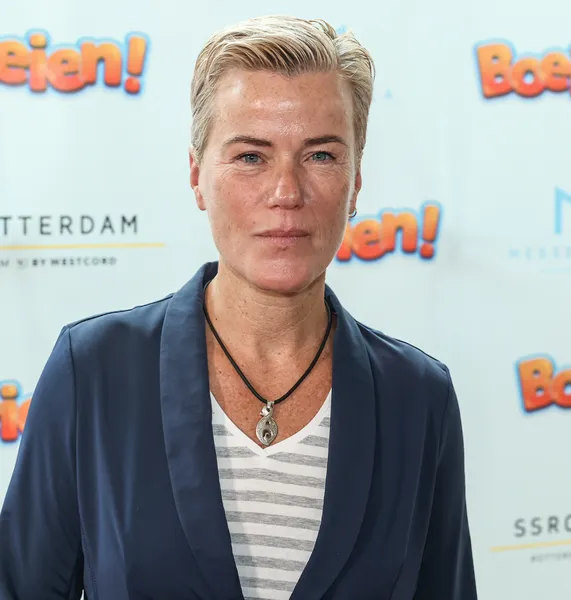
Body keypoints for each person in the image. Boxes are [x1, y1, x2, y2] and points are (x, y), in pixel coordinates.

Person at [0, 14, 478, 600]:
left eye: (321, 156)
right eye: (252, 156)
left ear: (356, 182)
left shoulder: (418, 396)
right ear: (197, 175)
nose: (286, 193)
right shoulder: (94, 370)